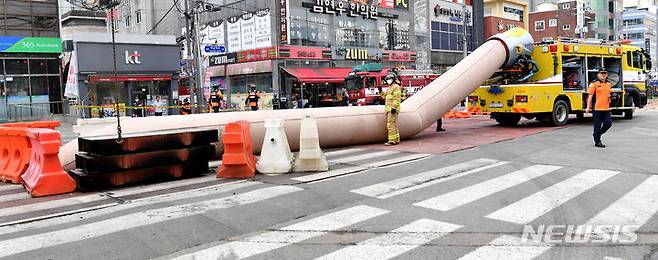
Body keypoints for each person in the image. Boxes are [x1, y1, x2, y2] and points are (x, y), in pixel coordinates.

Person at [586, 68, 612, 148]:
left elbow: (608, 94)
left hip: (606, 108)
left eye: (605, 73)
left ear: (607, 75)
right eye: (601, 73)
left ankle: (597, 134)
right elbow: (590, 96)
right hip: (597, 108)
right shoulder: (594, 84)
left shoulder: (608, 84)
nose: (603, 75)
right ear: (598, 74)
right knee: (597, 125)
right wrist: (588, 106)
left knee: (608, 124)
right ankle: (598, 141)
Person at [384, 73, 403, 146]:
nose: (388, 81)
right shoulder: (389, 87)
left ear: (393, 79)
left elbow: (397, 98)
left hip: (392, 109)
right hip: (389, 109)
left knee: (390, 125)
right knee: (394, 124)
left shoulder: (396, 87)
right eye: (387, 79)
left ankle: (392, 140)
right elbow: (385, 97)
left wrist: (394, 108)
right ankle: (396, 139)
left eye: (389, 79)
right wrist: (380, 92)